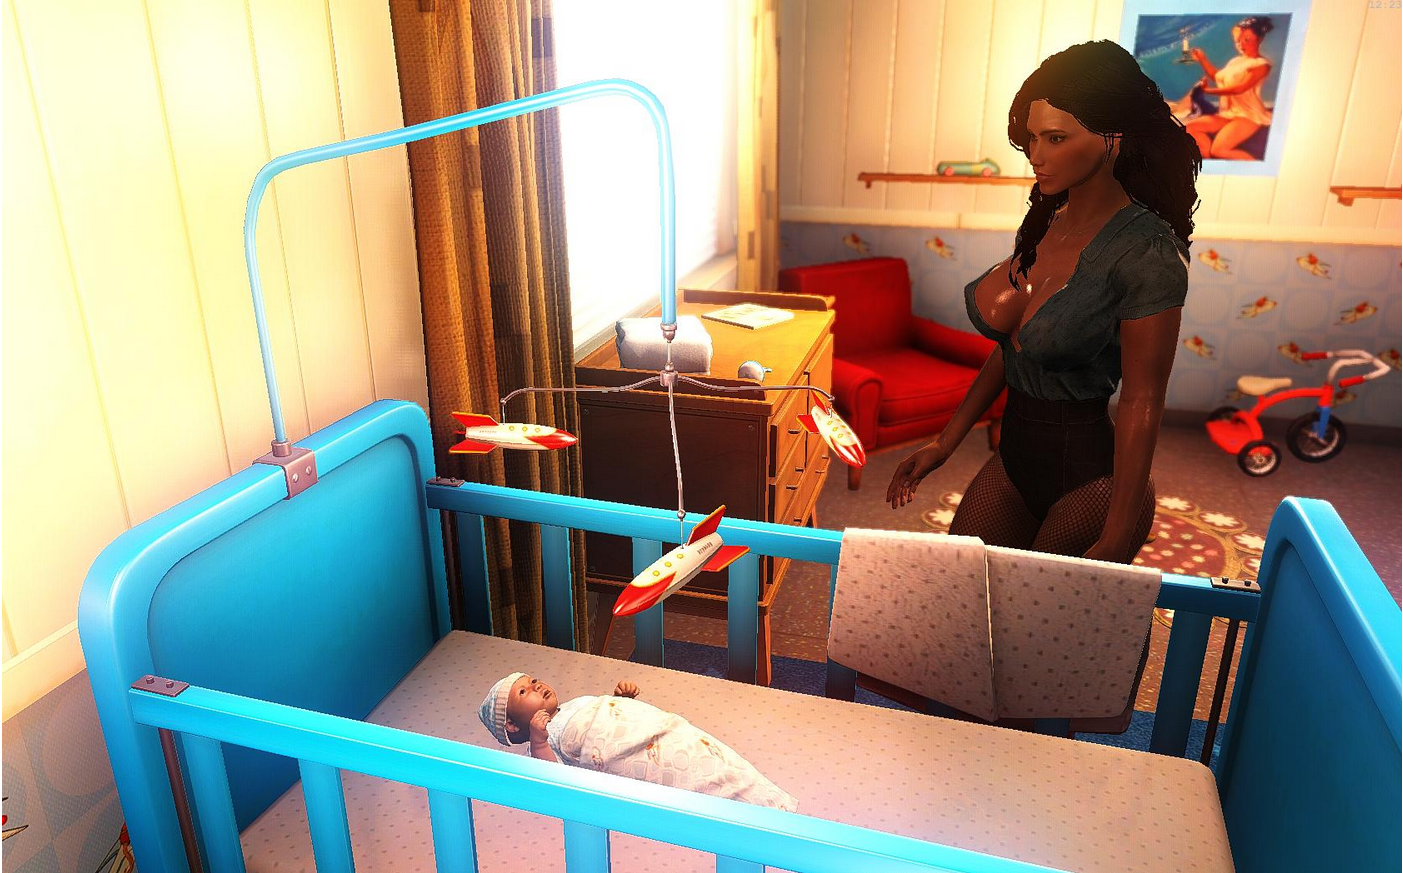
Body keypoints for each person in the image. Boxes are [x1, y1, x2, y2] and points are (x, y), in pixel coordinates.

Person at [886, 41, 1199, 731]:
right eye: (1031, 139)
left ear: (1111, 139)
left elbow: (1143, 399)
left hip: (1090, 477)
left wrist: (1118, 529)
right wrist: (945, 442)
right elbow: (1011, 350)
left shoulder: (1146, 251)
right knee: (958, 613)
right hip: (1015, 460)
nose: (1036, 155)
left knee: (1034, 655)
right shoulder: (1048, 220)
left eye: (1056, 138)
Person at [478, 672, 798, 810]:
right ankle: (757, 815)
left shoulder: (575, 704)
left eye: (534, 680)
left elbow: (610, 719)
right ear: (512, 726)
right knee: (699, 780)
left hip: (666, 732)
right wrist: (539, 742)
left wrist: (622, 700)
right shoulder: (543, 742)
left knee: (712, 756)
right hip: (645, 758)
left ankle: (764, 797)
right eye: (525, 691)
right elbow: (556, 782)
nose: (537, 686)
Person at [1184, 17, 1275, 160]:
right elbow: (1218, 77)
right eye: (1238, 41)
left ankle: (1255, 169)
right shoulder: (1235, 61)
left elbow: (1239, 89)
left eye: (1246, 40)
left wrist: (1208, 91)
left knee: (1219, 150)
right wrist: (1202, 59)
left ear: (1259, 39)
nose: (1241, 44)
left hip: (1248, 115)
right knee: (1190, 128)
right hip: (1227, 113)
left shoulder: (1261, 64)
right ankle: (1206, 163)